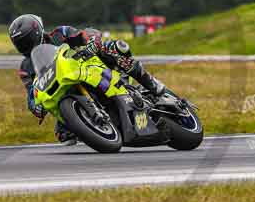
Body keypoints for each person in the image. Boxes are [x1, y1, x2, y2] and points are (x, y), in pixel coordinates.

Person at [9, 14, 166, 145]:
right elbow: (31, 92)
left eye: (27, 40)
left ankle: (151, 83)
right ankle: (100, 125)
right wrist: (35, 105)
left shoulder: (59, 34)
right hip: (66, 89)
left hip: (91, 67)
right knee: (64, 135)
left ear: (37, 32)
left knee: (117, 47)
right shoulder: (26, 67)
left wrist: (91, 42)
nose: (25, 46)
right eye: (21, 44)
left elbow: (86, 34)